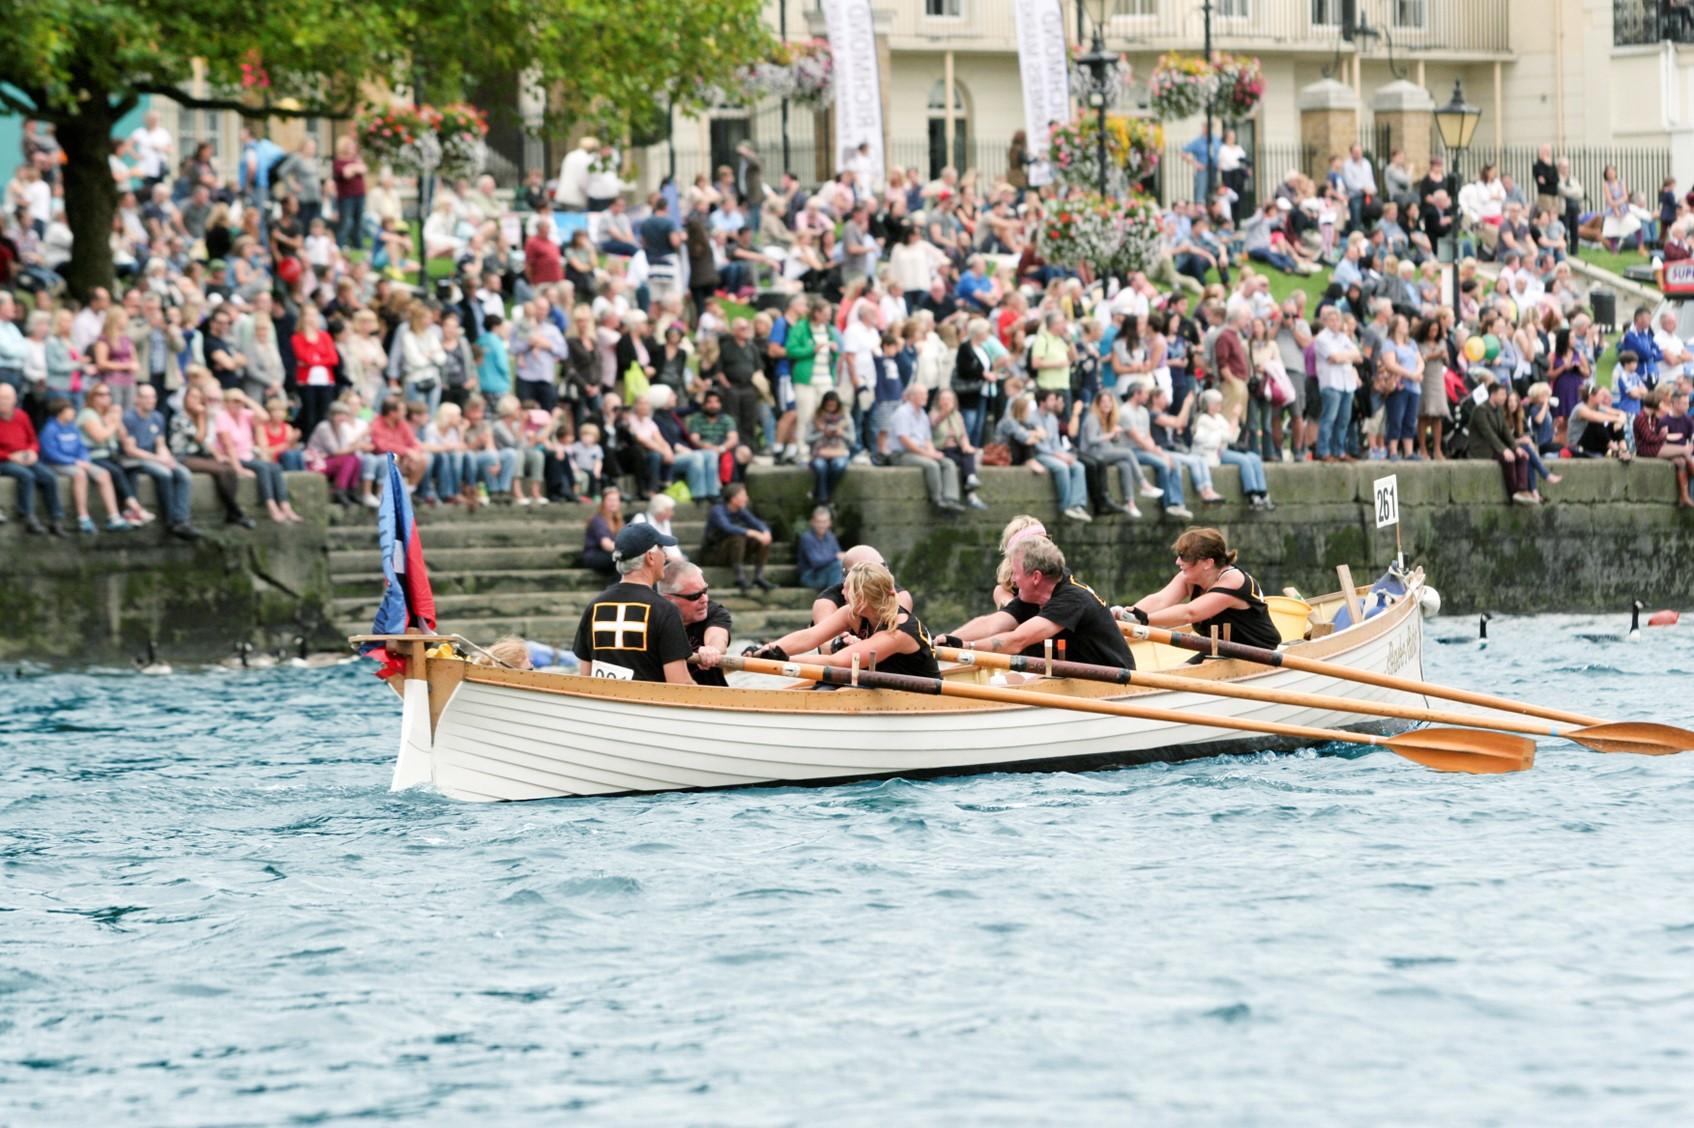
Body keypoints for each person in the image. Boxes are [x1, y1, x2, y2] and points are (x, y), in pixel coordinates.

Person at [938, 536, 1135, 668]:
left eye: (1016, 573)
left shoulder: (1072, 599)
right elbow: (992, 624)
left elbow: (1017, 641)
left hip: (1114, 680)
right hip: (1079, 677)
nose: (1013, 580)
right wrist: (945, 641)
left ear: (1036, 577)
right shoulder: (1036, 593)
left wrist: (966, 647)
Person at [749, 561, 938, 680]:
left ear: (862, 598)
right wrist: (768, 650)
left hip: (921, 697)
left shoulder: (898, 632)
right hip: (883, 687)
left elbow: (837, 662)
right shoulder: (854, 612)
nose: (841, 593)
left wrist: (785, 661)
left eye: (847, 589)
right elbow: (809, 637)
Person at [1120, 527, 1282, 651]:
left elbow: (1190, 613)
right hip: (1222, 651)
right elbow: (1160, 600)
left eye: (1185, 557)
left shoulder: (1233, 581)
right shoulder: (1189, 578)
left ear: (1207, 563)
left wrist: (1146, 620)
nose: (1178, 562)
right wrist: (1126, 617)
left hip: (1261, 651)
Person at [571, 522, 693, 684]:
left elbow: (585, 677)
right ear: (650, 557)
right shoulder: (664, 610)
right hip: (648, 706)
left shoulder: (594, 607)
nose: (666, 556)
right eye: (662, 549)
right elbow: (680, 685)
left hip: (604, 704)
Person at [890, 383, 972, 511]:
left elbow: (927, 439)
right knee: (932, 465)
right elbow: (905, 441)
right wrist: (928, 454)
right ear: (912, 396)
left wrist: (933, 452)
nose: (926, 397)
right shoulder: (902, 413)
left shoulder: (922, 414)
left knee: (947, 463)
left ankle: (950, 499)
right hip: (902, 454)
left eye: (926, 394)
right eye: (922, 394)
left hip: (920, 452)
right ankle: (937, 500)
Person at [0, 381, 66, 534]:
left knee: (49, 476)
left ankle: (55, 519)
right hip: (4, 460)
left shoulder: (22, 416)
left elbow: (33, 440)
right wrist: (9, 456)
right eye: (1, 398)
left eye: (7, 398)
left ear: (15, 399)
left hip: (24, 457)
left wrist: (32, 452)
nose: (4, 401)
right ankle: (29, 517)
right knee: (26, 476)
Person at [1191, 390, 1273, 509]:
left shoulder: (1218, 418)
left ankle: (1263, 492)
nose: (1220, 406)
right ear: (1209, 405)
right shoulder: (1203, 419)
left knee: (1254, 458)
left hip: (1223, 449)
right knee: (1244, 460)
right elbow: (1224, 436)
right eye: (1217, 403)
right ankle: (1252, 494)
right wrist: (1234, 417)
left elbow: (1231, 436)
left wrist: (1233, 422)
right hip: (1214, 453)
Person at [659, 558, 733, 687]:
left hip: (712, 696)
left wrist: (713, 649)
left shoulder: (714, 611)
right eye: (694, 596)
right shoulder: (654, 618)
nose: (704, 599)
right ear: (668, 599)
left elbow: (718, 636)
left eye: (705, 591)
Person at [1468, 379, 1538, 504]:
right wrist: (1504, 450)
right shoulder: (1480, 410)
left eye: (1505, 394)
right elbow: (1489, 434)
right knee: (1509, 459)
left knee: (1522, 456)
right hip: (1483, 448)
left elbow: (1506, 432)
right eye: (1502, 394)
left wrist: (1515, 447)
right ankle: (1514, 493)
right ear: (1493, 394)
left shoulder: (1499, 410)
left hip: (1496, 446)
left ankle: (1522, 490)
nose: (1504, 398)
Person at [702, 482, 774, 593]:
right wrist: (751, 532)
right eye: (744, 496)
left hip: (734, 552)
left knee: (763, 540)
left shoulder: (740, 511)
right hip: (715, 554)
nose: (747, 498)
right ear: (733, 499)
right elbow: (727, 527)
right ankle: (740, 577)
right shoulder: (717, 511)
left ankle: (758, 577)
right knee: (738, 537)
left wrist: (765, 532)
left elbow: (756, 522)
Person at [796, 506, 845, 591]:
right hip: (810, 576)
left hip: (827, 573)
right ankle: (834, 597)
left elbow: (839, 556)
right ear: (812, 522)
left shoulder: (831, 537)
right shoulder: (807, 538)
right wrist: (836, 556)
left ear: (829, 523)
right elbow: (816, 562)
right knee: (838, 566)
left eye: (824, 522)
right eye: (818, 522)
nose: (821, 525)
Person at [582, 487, 624, 576]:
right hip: (594, 556)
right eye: (610, 500)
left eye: (616, 500)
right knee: (620, 559)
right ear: (603, 502)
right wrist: (625, 550)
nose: (613, 503)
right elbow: (606, 544)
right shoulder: (598, 520)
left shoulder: (618, 521)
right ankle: (615, 588)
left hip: (609, 555)